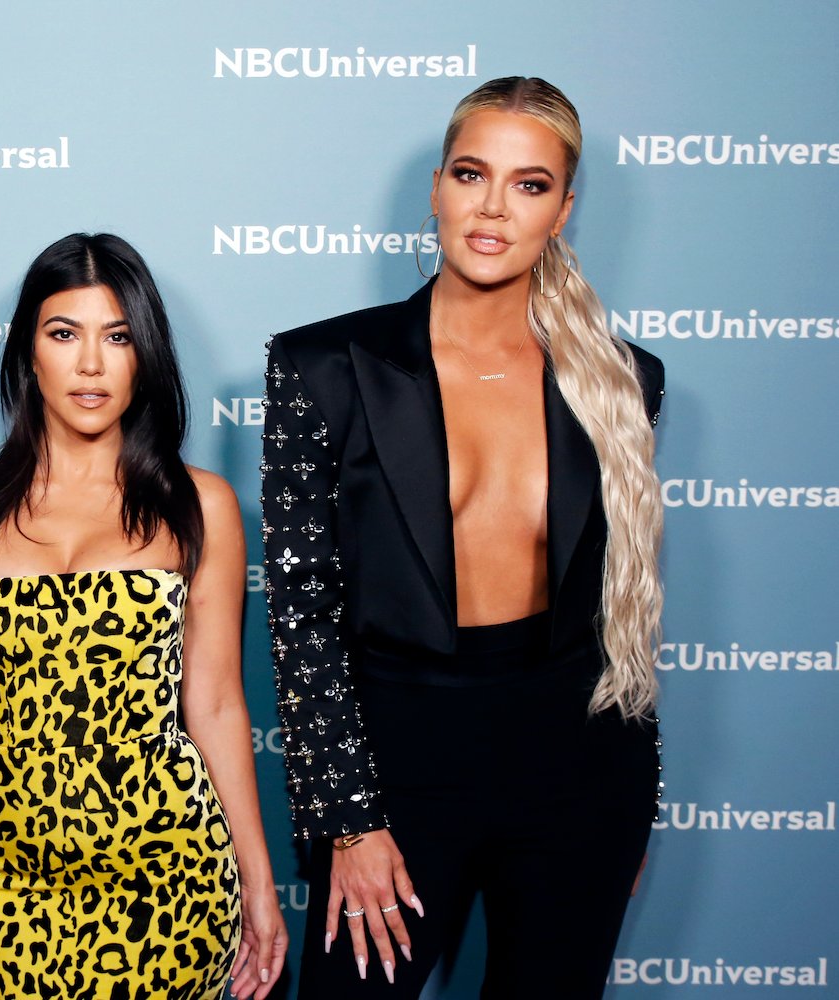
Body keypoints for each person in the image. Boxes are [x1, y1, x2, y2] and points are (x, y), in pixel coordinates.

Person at [262, 77, 665, 997]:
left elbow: (625, 610)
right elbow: (302, 616)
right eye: (472, 174)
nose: (493, 207)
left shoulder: (623, 380)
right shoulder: (324, 366)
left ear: (563, 211)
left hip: (580, 764)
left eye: (530, 185)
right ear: (437, 187)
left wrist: (635, 794)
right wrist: (351, 822)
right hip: (395, 763)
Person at [0, 233, 288, 1000]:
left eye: (117, 337)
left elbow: (217, 704)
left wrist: (258, 882)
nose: (91, 364)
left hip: (170, 875)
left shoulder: (199, 505)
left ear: (144, 355)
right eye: (64, 334)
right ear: (29, 351)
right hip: (7, 879)